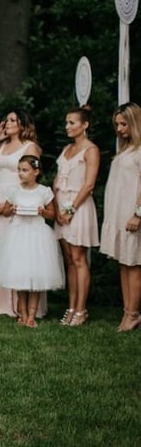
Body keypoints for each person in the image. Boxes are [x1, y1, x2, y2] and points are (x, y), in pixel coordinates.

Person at [0, 109, 42, 316]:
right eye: (6, 120)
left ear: (23, 124)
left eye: (13, 120)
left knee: (18, 251)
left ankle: (21, 305)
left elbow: (31, 178)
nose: (7, 123)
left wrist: (12, 204)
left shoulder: (30, 147)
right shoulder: (2, 146)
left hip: (18, 201)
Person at [0, 155, 64, 327]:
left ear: (36, 172)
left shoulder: (44, 191)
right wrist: (12, 209)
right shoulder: (13, 190)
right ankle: (22, 313)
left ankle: (32, 315)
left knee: (36, 276)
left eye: (24, 170)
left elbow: (52, 214)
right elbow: (6, 212)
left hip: (37, 236)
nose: (20, 173)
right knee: (19, 276)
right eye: (19, 170)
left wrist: (43, 212)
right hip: (18, 234)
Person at [53, 105, 99, 327]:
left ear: (85, 125)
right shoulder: (66, 149)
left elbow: (89, 184)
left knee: (79, 258)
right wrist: (56, 208)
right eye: (66, 122)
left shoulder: (91, 150)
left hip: (78, 207)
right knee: (69, 259)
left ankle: (81, 309)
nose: (67, 126)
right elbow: (56, 180)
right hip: (61, 205)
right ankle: (71, 308)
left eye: (72, 123)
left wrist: (70, 210)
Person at [100, 102, 141, 332]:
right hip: (119, 212)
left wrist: (138, 213)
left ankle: (133, 314)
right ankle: (128, 312)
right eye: (117, 124)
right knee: (124, 264)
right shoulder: (125, 149)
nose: (119, 129)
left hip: (132, 214)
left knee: (133, 264)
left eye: (124, 124)